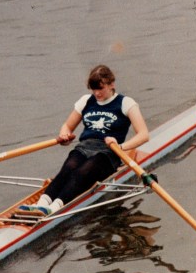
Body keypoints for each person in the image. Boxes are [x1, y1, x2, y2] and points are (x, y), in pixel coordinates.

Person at [17, 65, 149, 216]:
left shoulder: (126, 103)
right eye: (93, 89)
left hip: (109, 152)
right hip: (84, 146)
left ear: (112, 84)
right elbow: (67, 126)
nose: (97, 93)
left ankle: (55, 208)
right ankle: (41, 204)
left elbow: (144, 134)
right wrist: (65, 135)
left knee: (82, 172)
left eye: (101, 88)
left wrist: (120, 146)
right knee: (68, 167)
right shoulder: (86, 101)